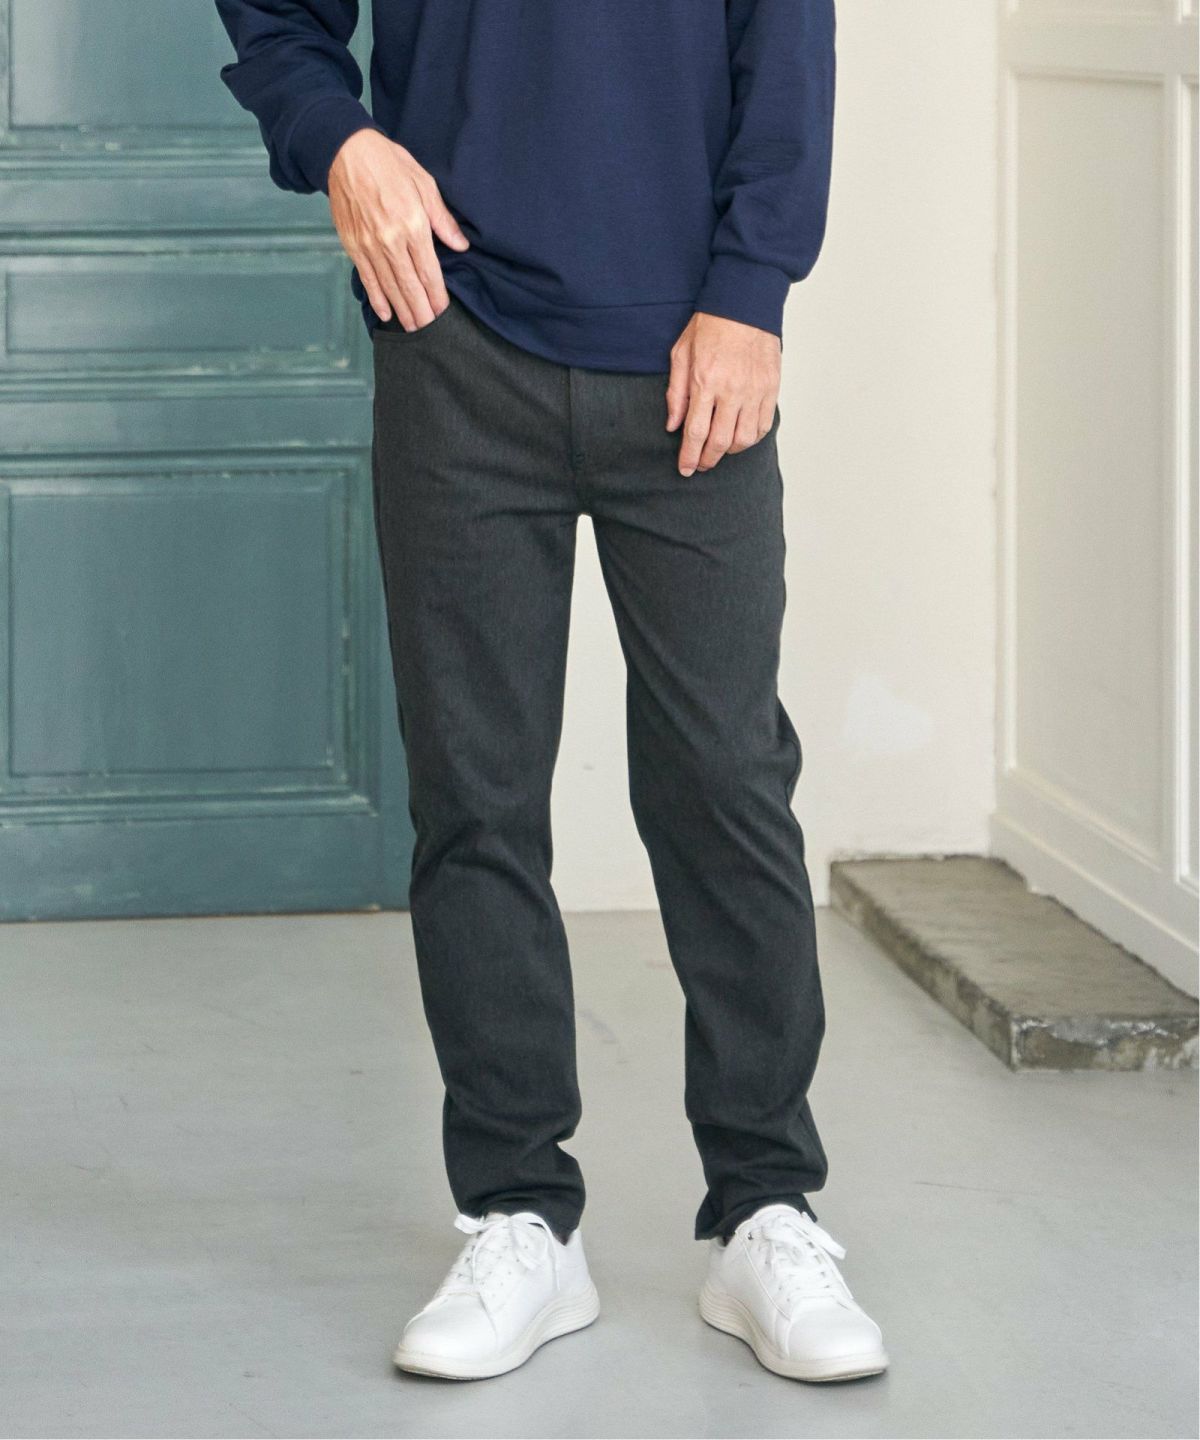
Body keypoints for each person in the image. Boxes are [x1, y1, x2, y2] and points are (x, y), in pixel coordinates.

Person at [215, 0, 887, 1386]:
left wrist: (754, 290)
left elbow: (786, 44)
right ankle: (519, 1213)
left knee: (725, 783)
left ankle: (765, 1206)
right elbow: (276, 19)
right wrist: (338, 138)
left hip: (693, 346)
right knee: (476, 797)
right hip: (457, 340)